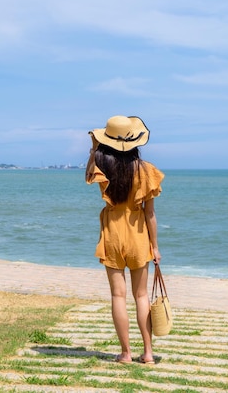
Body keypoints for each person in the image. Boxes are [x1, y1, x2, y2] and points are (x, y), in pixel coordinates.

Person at [85, 115, 164, 364]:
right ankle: (148, 353)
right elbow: (149, 213)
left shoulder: (102, 166)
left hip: (112, 233)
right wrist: (155, 246)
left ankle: (126, 353)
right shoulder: (146, 171)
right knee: (141, 296)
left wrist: (94, 150)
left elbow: (88, 174)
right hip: (138, 233)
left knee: (118, 296)